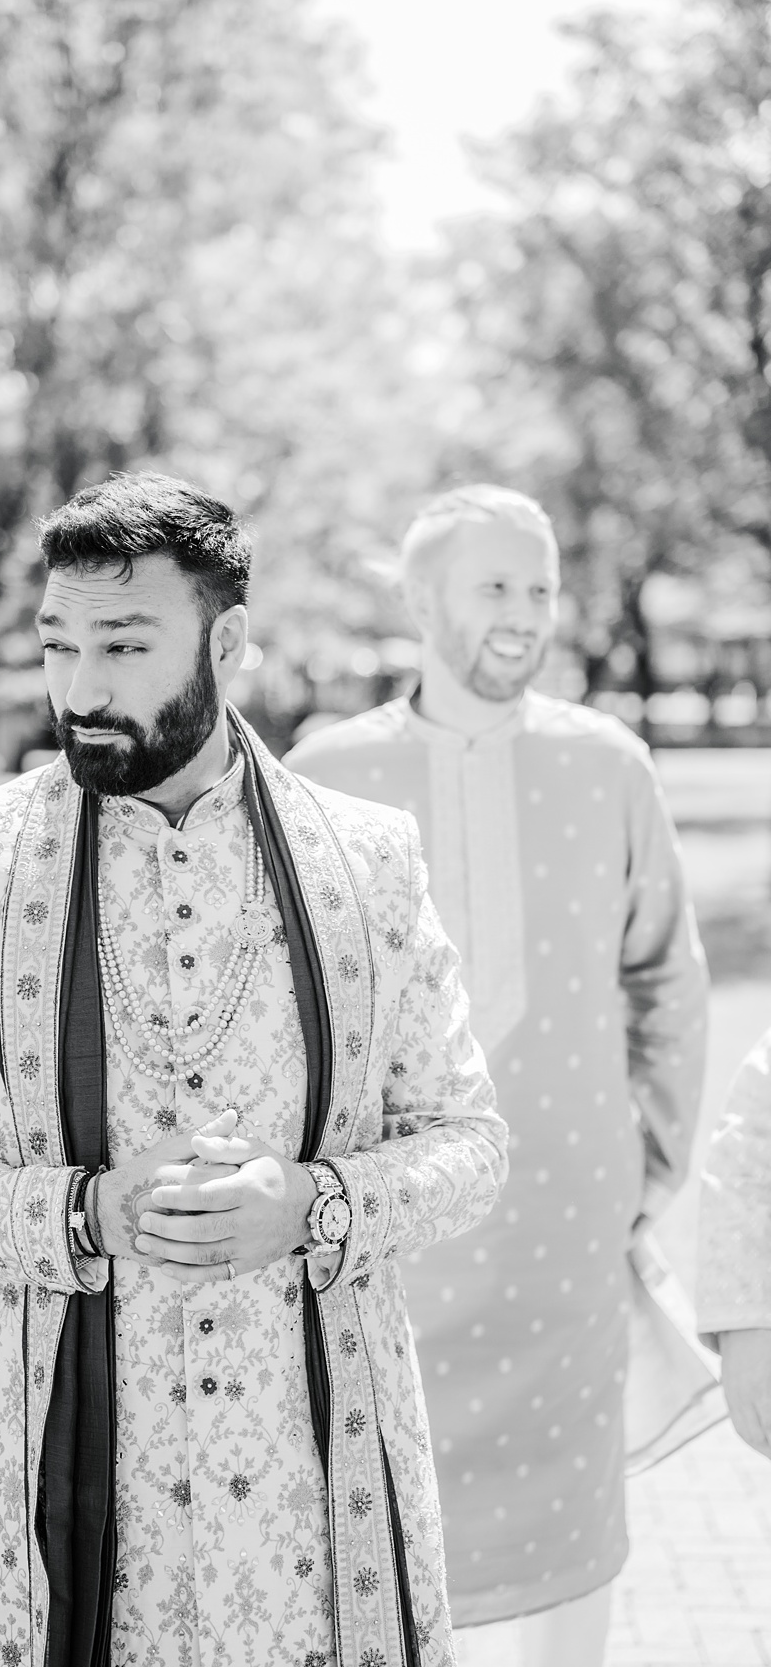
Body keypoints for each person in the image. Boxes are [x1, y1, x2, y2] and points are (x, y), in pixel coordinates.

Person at [0, 474, 509, 1667]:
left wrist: (314, 1203)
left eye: (126, 646)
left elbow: (468, 1142)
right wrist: (78, 1211)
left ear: (226, 641)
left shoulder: (367, 861)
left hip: (309, 1493)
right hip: (57, 1496)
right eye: (58, 643)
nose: (80, 688)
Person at [287, 484, 712, 1661]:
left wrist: (651, 1166)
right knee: (381, 1538)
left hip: (568, 1221)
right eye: (494, 586)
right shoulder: (325, 774)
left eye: (541, 586)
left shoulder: (610, 765)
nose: (525, 612)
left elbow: (666, 979)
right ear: (422, 600)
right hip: (389, 1232)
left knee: (572, 1552)